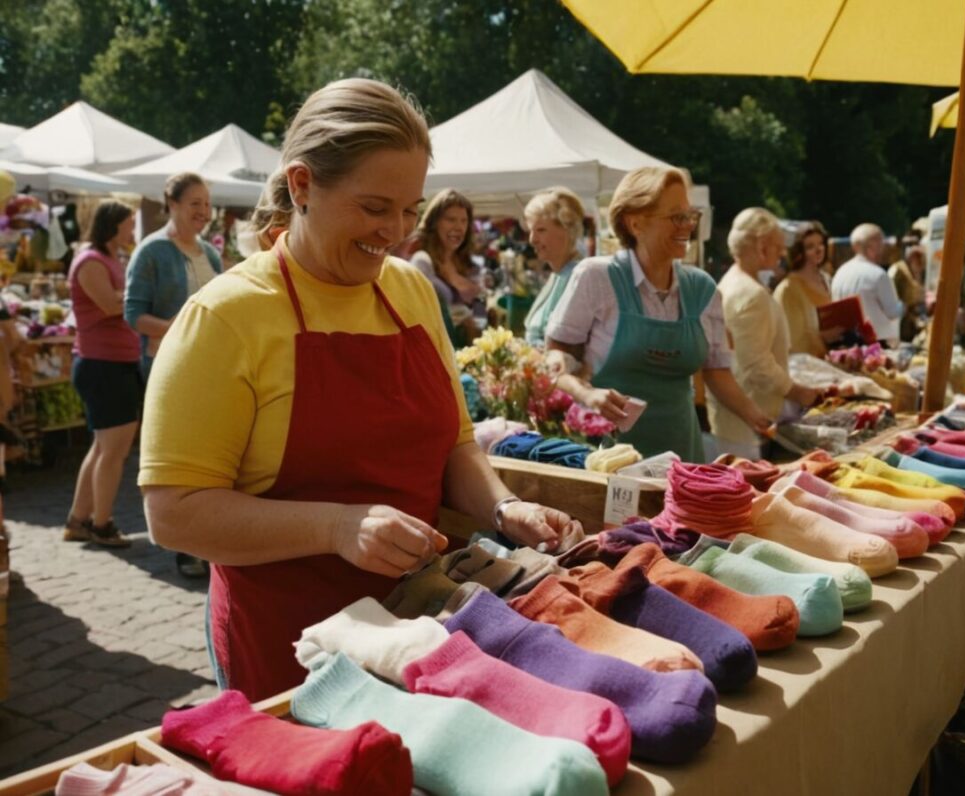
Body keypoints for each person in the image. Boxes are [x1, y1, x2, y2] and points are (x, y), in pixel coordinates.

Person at [138, 78, 581, 701]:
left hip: (426, 626)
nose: (396, 231)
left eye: (409, 209)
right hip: (295, 652)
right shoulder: (224, 318)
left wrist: (504, 508)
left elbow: (454, 445)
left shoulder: (410, 290)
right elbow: (173, 513)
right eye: (375, 208)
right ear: (301, 187)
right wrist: (336, 527)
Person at [544, 166, 771, 462]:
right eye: (677, 216)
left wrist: (761, 421)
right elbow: (555, 360)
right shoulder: (597, 278)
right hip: (610, 458)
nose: (688, 225)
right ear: (635, 223)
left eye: (691, 215)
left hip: (681, 455)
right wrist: (588, 395)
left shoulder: (703, 289)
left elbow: (717, 374)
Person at [709, 209, 820, 454]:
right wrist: (798, 392)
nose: (782, 253)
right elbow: (756, 365)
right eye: (778, 246)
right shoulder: (751, 293)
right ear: (762, 246)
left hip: (738, 416)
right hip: (749, 419)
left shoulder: (733, 281)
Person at [64, 200, 141, 548]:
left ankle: (79, 520)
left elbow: (116, 300)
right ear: (112, 225)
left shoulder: (111, 259)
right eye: (129, 224)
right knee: (113, 451)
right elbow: (110, 305)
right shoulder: (90, 260)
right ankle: (101, 524)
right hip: (102, 365)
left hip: (112, 363)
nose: (132, 230)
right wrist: (140, 295)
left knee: (103, 448)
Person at [124, 172, 223, 378]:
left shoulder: (211, 255)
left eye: (207, 204)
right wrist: (175, 328)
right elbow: (133, 315)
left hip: (208, 362)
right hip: (166, 365)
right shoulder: (151, 251)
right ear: (172, 203)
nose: (204, 211)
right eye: (195, 203)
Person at [409, 189, 484, 345]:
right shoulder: (422, 261)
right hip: (434, 348)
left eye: (464, 221)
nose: (459, 227)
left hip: (468, 349)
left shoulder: (470, 264)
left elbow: (481, 312)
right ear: (435, 223)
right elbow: (417, 312)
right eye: (451, 219)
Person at [521, 187, 586, 347]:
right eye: (531, 231)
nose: (532, 239)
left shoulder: (578, 276)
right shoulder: (559, 274)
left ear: (567, 230)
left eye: (541, 230)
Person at [773, 221, 842, 357]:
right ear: (799, 251)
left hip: (833, 359)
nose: (818, 250)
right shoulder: (788, 289)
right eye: (810, 246)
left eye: (821, 244)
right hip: (806, 366)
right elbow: (791, 338)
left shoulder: (827, 279)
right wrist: (821, 337)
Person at [831, 223, 903, 347]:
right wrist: (905, 305)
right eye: (880, 244)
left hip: (846, 344)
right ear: (872, 247)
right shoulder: (878, 275)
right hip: (876, 345)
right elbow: (892, 312)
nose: (883, 249)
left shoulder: (840, 272)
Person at [888, 244, 927, 341]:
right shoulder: (897, 269)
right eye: (918, 258)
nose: (920, 262)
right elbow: (890, 291)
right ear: (912, 257)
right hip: (900, 315)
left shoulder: (917, 271)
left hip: (913, 316)